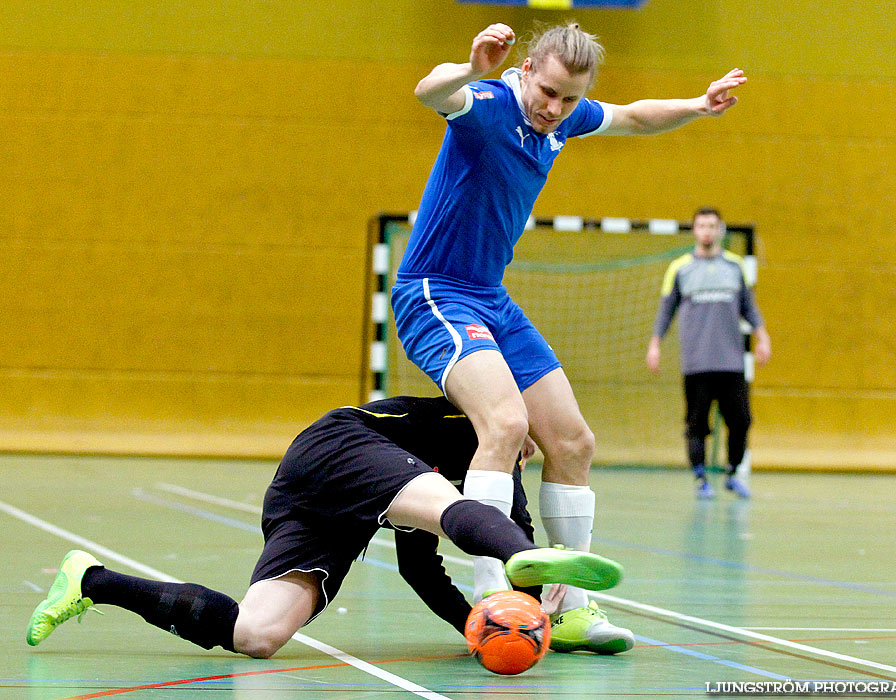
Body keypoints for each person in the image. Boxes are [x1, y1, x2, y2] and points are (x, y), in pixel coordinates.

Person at [391, 21, 746, 653]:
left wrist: (697, 103)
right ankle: (494, 600)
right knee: (502, 425)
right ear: (526, 70)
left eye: (569, 100)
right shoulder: (492, 105)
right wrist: (472, 67)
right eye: (548, 92)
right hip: (435, 291)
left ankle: (572, 611)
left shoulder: (564, 118)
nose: (556, 109)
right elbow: (429, 92)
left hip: (491, 298)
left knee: (574, 442)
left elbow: (635, 117)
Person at [26, 396, 624, 658]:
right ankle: (524, 558)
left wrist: (482, 626)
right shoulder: (472, 423)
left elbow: (420, 565)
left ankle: (90, 580)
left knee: (256, 635)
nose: (524, 453)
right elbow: (473, 518)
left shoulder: (499, 477)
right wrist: (521, 561)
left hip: (325, 508)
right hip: (336, 447)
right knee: (451, 510)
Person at [646, 207, 771, 499]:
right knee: (696, 423)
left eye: (712, 225)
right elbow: (666, 311)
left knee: (741, 420)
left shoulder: (735, 267)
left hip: (731, 362)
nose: (707, 231)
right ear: (694, 230)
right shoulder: (680, 269)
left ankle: (732, 473)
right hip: (696, 363)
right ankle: (700, 478)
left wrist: (762, 336)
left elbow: (749, 307)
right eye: (701, 225)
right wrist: (655, 344)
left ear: (720, 230)